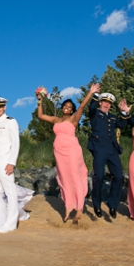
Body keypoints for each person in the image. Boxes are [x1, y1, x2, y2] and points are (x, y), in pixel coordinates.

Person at [36, 84, 98, 224]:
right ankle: (68, 207)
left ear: (72, 110)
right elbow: (40, 115)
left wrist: (91, 92)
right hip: (59, 153)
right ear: (62, 107)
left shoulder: (74, 119)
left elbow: (82, 105)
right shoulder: (56, 120)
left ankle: (79, 209)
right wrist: (40, 99)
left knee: (75, 177)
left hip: (72, 151)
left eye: (70, 107)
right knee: (64, 179)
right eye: (66, 105)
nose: (67, 108)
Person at [86, 84, 131, 220]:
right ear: (100, 102)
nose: (106, 105)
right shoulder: (95, 114)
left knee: (118, 176)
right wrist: (93, 94)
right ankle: (97, 204)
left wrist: (124, 112)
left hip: (112, 149)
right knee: (99, 176)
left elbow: (122, 125)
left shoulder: (112, 117)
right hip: (99, 148)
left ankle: (112, 205)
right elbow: (91, 108)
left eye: (109, 103)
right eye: (104, 102)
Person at [0, 97, 22, 233]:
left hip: (5, 162)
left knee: (10, 192)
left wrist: (12, 163)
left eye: (0, 106)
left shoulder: (11, 122)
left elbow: (15, 143)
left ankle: (11, 223)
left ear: (5, 107)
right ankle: (7, 216)